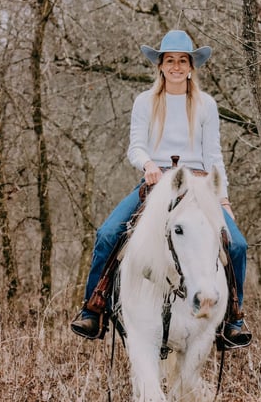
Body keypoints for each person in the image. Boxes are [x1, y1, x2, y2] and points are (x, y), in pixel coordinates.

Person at [70, 29, 251, 350]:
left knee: (236, 245)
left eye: (183, 61)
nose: (177, 67)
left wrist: (222, 197)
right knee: (109, 233)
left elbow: (214, 155)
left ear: (192, 66)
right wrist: (147, 165)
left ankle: (232, 319)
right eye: (170, 61)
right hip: (156, 182)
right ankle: (93, 307)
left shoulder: (206, 105)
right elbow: (135, 147)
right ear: (161, 65)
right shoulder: (145, 102)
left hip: (198, 184)